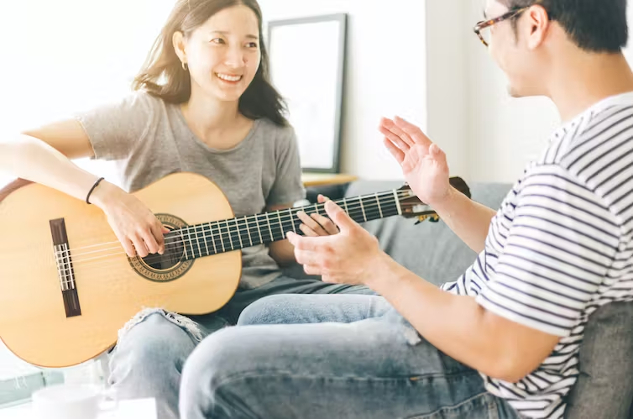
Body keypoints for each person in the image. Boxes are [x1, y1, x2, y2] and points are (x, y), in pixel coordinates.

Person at [178, 0, 633, 418]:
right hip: (469, 322)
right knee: (265, 315)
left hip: (483, 381)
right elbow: (529, 251)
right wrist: (443, 199)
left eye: (487, 25)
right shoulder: (605, 134)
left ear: (533, 25)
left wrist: (372, 267)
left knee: (215, 373)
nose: (489, 44)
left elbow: (506, 352)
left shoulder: (576, 167)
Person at [0, 1, 372, 418]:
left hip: (265, 297)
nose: (237, 59)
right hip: (164, 307)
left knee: (388, 307)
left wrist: (310, 241)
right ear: (182, 45)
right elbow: (12, 148)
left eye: (250, 44)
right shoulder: (144, 117)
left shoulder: (276, 134)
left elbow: (277, 241)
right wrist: (107, 196)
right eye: (219, 41)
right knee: (150, 348)